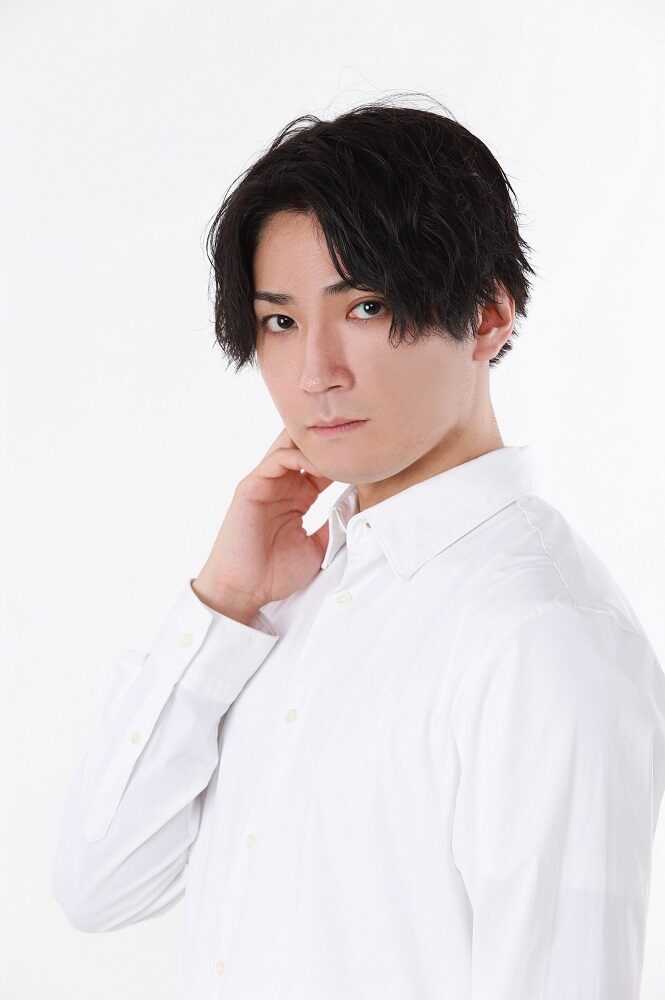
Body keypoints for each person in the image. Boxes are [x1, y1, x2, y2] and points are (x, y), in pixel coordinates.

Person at [51, 96, 665, 1000]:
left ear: (486, 317)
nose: (315, 374)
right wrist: (224, 603)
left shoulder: (540, 633)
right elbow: (100, 885)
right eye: (280, 321)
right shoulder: (292, 593)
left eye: (366, 307)